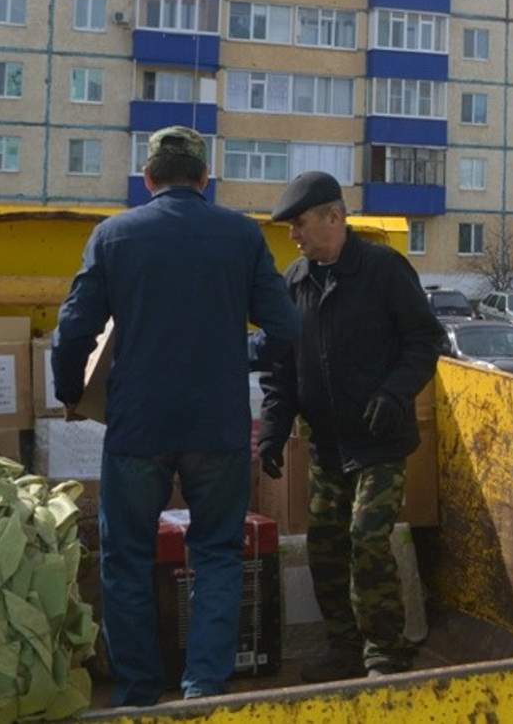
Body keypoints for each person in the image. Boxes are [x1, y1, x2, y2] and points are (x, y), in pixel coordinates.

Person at [52, 126, 298, 706]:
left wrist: (70, 392)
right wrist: (235, 355)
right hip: (217, 425)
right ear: (204, 180)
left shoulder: (113, 235)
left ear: (149, 179)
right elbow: (286, 328)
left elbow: (74, 330)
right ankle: (204, 689)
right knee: (216, 555)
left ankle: (138, 692)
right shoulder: (241, 235)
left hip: (139, 426)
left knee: (128, 557)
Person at [255, 170, 444, 682]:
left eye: (300, 224)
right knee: (326, 548)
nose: (293, 235)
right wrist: (273, 429)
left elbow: (425, 341)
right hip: (327, 447)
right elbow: (280, 368)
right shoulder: (294, 282)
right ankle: (345, 645)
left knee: (366, 539)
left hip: (380, 441)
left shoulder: (384, 270)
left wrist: (394, 392)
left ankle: (385, 650)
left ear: (334, 217)